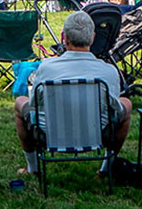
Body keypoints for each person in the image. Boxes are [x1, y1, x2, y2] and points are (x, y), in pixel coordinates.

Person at [14, 12, 132, 177]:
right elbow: (115, 107)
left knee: (21, 102)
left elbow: (34, 104)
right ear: (92, 38)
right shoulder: (108, 71)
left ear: (64, 38)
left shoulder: (47, 68)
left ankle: (32, 167)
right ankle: (106, 168)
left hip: (49, 133)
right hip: (97, 133)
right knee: (126, 103)